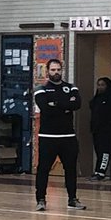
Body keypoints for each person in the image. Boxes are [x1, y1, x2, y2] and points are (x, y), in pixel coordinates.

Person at [34, 58, 86, 211]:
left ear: (62, 70)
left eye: (58, 70)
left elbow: (76, 104)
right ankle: (41, 199)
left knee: (70, 169)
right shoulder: (41, 89)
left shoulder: (71, 88)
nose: (56, 73)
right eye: (53, 70)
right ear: (48, 71)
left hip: (68, 136)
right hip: (48, 137)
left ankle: (72, 199)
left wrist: (55, 103)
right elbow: (45, 107)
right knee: (43, 169)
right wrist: (64, 105)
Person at [88, 77, 111, 181]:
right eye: (98, 85)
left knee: (105, 151)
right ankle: (97, 170)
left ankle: (101, 172)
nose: (100, 87)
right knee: (98, 151)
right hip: (97, 130)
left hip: (108, 131)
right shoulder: (97, 98)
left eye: (102, 85)